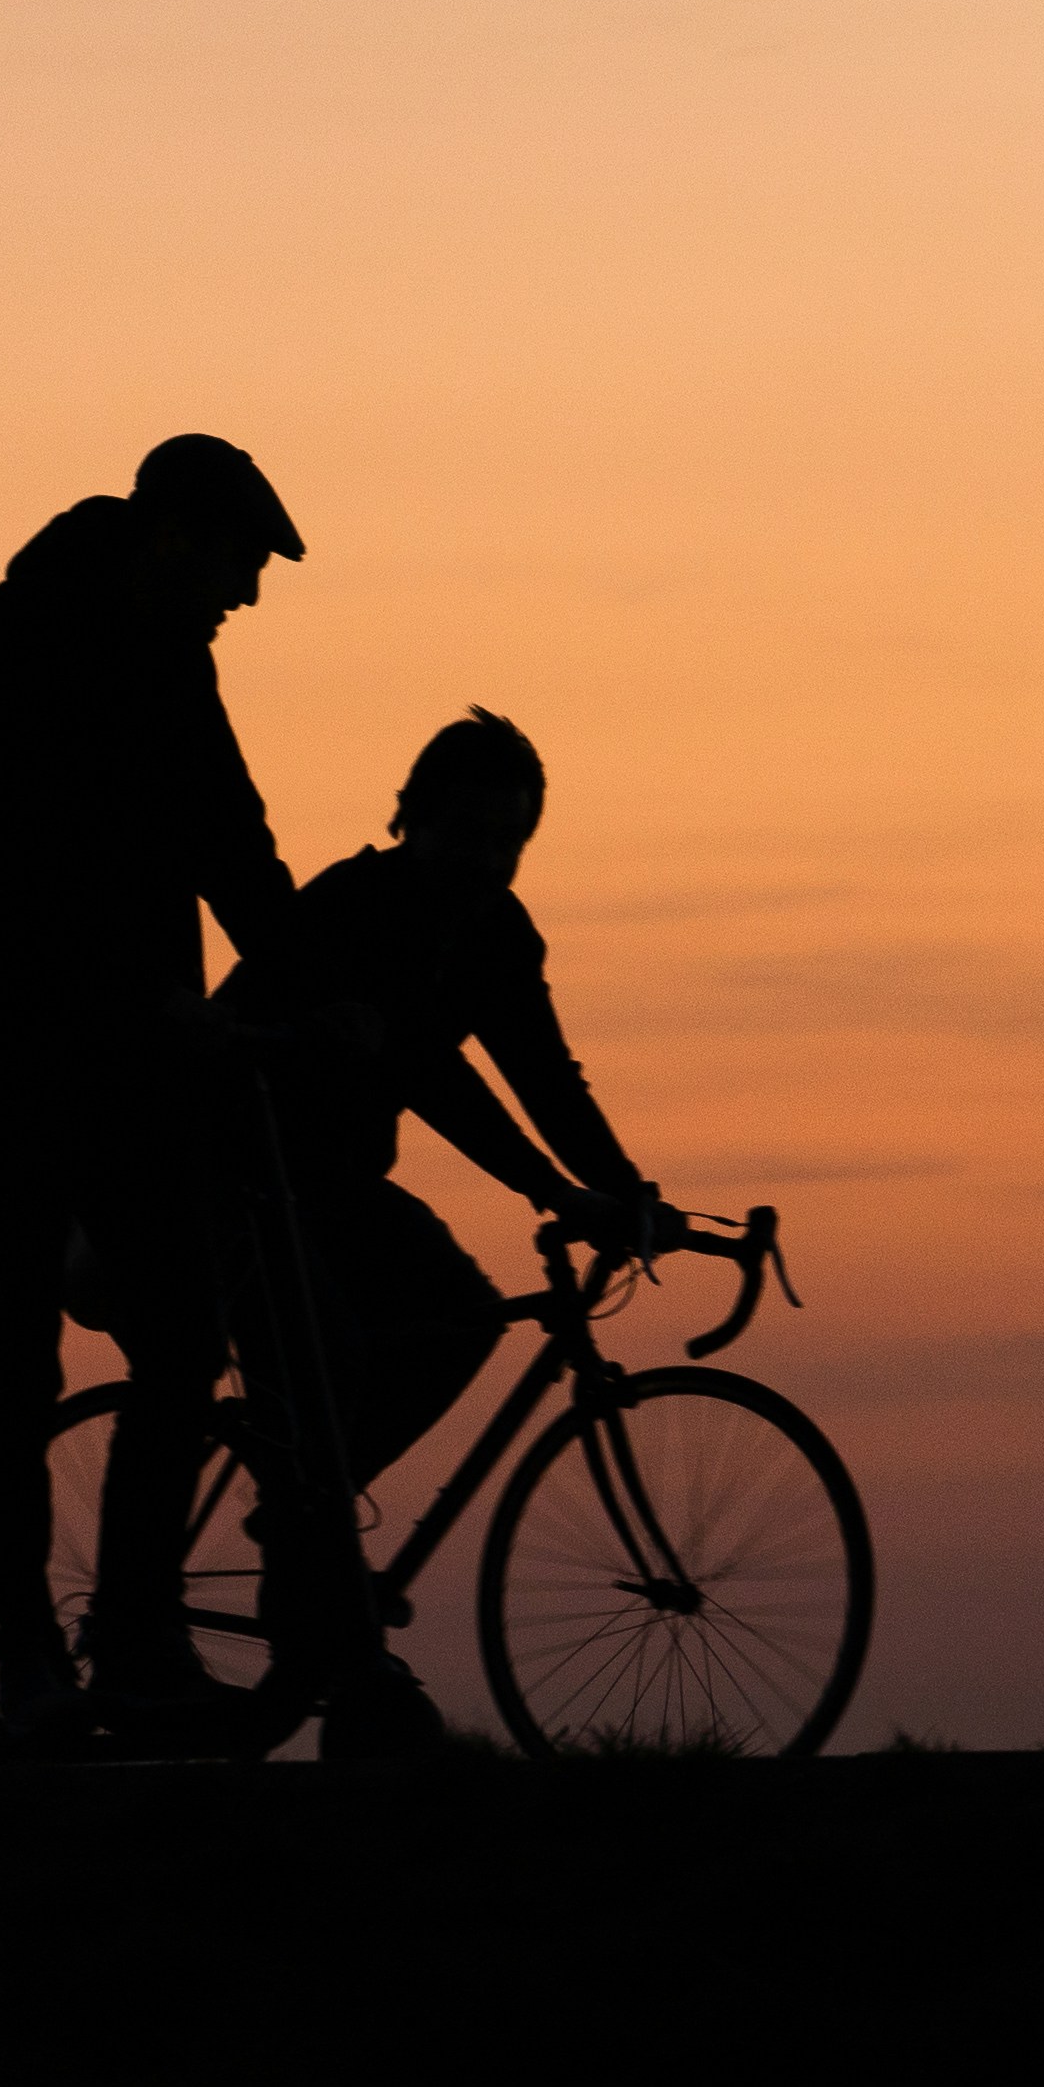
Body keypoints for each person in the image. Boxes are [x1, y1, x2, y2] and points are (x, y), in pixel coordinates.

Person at [0, 435, 305, 1748]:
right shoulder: (89, 647)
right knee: (65, 1350)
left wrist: (287, 981)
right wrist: (312, 994)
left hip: (53, 1049)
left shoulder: (69, 626)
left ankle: (87, 1654)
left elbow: (222, 841)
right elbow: (225, 840)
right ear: (181, 537)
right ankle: (59, 1656)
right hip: (44, 1052)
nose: (247, 594)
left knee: (78, 1350)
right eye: (243, 563)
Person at [207, 708, 658, 1751]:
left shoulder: (498, 933)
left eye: (508, 841)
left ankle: (306, 1542)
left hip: (335, 1185)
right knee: (324, 1363)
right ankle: (313, 1571)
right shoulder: (355, 904)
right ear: (411, 817)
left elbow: (542, 1070)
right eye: (468, 834)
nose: (486, 860)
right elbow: (430, 1074)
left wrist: (624, 1188)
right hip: (234, 1176)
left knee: (458, 1316)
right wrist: (552, 1190)